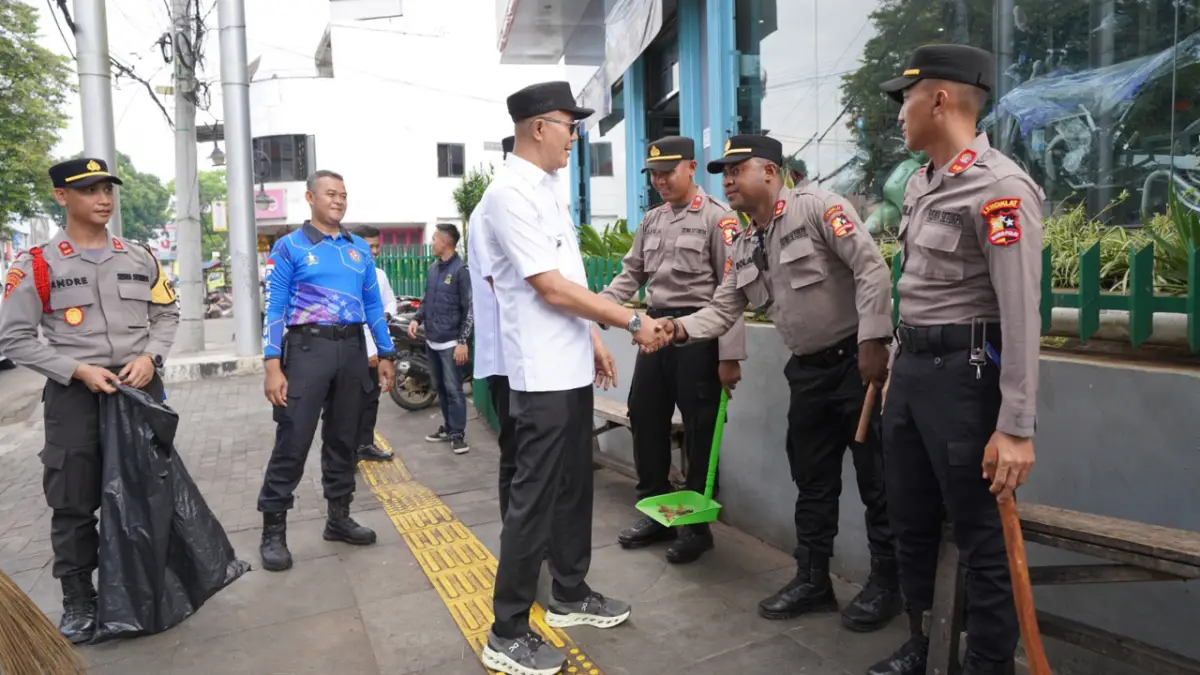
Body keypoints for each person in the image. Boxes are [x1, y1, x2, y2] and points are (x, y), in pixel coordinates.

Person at [654, 134, 903, 632]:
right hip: (808, 372)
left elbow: (871, 267)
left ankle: (888, 585)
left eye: (736, 170)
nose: (727, 180)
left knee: (879, 482)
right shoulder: (746, 243)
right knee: (811, 481)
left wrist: (874, 340)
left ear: (769, 172)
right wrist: (677, 328)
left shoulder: (818, 209)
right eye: (723, 173)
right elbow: (724, 308)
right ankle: (813, 580)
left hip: (857, 368)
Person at [866, 45, 1044, 675]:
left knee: (979, 534)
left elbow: (1021, 312)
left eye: (905, 98)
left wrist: (1015, 426)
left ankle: (986, 664)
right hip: (912, 375)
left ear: (939, 98)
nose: (899, 114)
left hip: (965, 383)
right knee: (909, 520)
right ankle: (922, 641)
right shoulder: (920, 182)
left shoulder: (999, 188)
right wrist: (894, 371)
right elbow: (914, 288)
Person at [477, 80, 663, 675]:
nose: (574, 138)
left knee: (572, 488)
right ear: (537, 127)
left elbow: (569, 281)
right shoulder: (508, 195)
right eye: (569, 126)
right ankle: (506, 630)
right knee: (532, 500)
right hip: (538, 375)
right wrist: (632, 319)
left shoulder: (550, 189)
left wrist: (591, 339)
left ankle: (570, 593)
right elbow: (548, 287)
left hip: (568, 366)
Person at [0, 157, 180, 643]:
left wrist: (152, 358)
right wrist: (75, 369)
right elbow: (13, 338)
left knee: (147, 494)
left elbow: (167, 315)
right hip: (75, 399)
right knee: (74, 503)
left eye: (107, 189)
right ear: (62, 197)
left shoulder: (139, 257)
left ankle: (146, 588)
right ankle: (80, 600)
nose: (103, 198)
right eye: (89, 190)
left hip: (139, 394)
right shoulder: (36, 264)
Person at [599, 134, 746, 564]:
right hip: (655, 332)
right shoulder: (652, 221)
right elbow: (631, 274)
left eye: (667, 172)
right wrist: (599, 306)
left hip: (700, 336)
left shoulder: (719, 220)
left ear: (691, 168)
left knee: (700, 430)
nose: (660, 181)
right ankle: (654, 511)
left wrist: (729, 355)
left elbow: (732, 293)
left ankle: (694, 526)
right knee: (644, 415)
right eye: (654, 174)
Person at [258, 170, 397, 573]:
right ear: (310, 198)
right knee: (294, 439)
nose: (338, 200)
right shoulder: (289, 248)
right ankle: (273, 531)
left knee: (344, 439)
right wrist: (271, 365)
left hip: (353, 349)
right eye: (330, 193)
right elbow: (275, 308)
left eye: (343, 194)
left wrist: (386, 352)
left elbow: (372, 305)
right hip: (306, 350)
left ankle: (338, 518)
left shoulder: (358, 250)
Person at [471, 136, 519, 518]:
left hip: (525, 355)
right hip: (511, 357)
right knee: (517, 454)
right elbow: (497, 281)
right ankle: (520, 541)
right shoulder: (496, 202)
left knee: (529, 456)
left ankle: (530, 538)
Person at [407, 223, 473, 454]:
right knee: (441, 388)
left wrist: (462, 341)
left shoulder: (461, 270)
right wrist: (417, 318)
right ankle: (448, 428)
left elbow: (469, 309)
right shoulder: (434, 268)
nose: (431, 242)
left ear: (445, 242)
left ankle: (458, 434)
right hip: (432, 340)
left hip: (451, 343)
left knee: (454, 390)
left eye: (434, 238)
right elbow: (427, 298)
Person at [352, 225, 397, 461]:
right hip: (353, 350)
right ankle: (347, 451)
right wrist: (370, 351)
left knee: (371, 399)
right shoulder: (347, 274)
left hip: (376, 349)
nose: (376, 250)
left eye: (377, 245)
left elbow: (389, 302)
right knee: (349, 403)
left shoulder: (379, 275)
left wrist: (385, 317)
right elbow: (358, 319)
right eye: (370, 246)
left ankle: (365, 445)